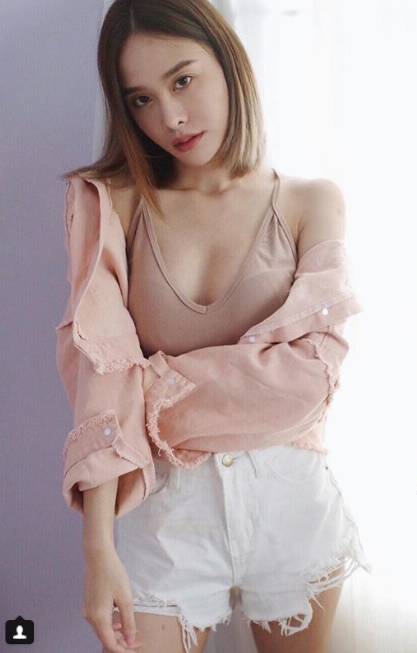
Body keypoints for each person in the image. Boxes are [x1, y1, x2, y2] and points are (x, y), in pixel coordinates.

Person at [56, 1, 372, 652]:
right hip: (161, 515)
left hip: (290, 504)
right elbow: (102, 380)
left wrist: (149, 388)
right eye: (141, 99)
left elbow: (310, 378)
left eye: (182, 80)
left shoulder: (310, 202)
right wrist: (97, 547)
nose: (169, 117)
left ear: (229, 63)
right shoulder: (113, 204)